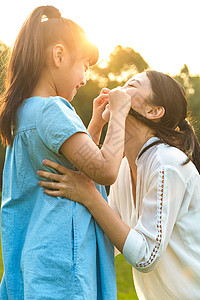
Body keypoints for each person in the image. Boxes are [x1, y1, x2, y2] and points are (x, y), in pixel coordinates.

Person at [0, 5, 132, 299]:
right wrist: (120, 113)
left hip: (34, 266)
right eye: (84, 65)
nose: (85, 78)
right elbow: (107, 170)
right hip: (61, 270)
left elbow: (71, 164)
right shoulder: (53, 109)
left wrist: (94, 127)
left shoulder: (24, 112)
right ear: (58, 56)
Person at [38, 70, 200, 300]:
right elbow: (107, 239)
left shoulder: (168, 164)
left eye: (131, 85)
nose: (118, 90)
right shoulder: (125, 168)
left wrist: (90, 195)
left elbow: (146, 256)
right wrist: (95, 125)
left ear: (153, 111)